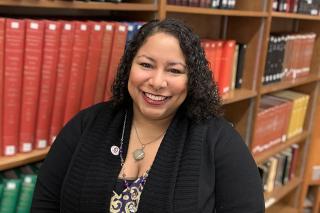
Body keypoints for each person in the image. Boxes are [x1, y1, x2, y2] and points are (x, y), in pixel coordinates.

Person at [31, 19, 265, 213]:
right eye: (146, 65)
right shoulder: (85, 125)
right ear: (128, 67)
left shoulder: (221, 143)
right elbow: (46, 204)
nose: (156, 82)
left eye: (174, 70)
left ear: (191, 79)